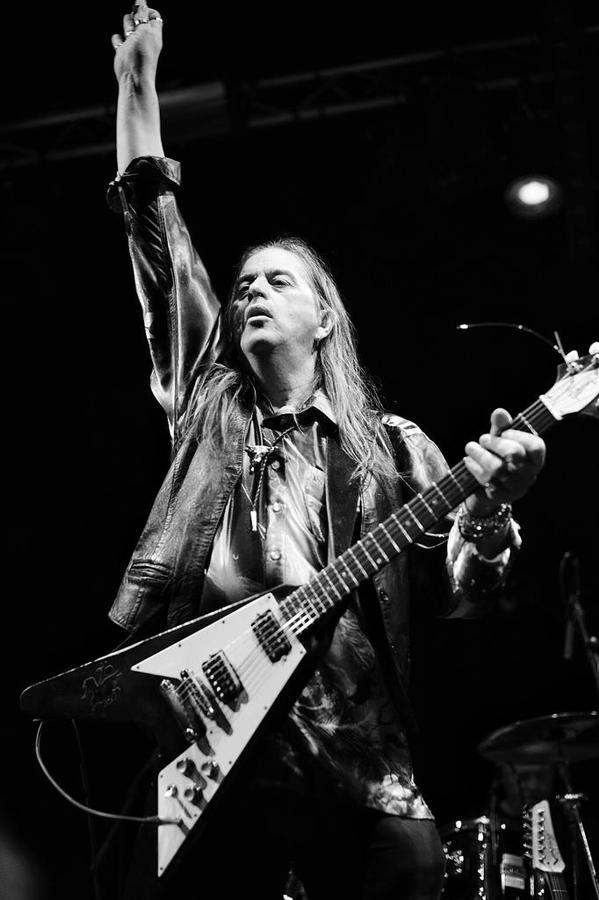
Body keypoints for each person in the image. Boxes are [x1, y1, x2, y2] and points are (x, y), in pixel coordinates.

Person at [105, 5, 547, 899]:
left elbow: (471, 594)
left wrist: (493, 511)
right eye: (243, 288)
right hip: (221, 737)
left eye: (277, 281)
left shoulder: (392, 448)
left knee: (414, 872)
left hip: (360, 750)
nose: (250, 293)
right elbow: (162, 250)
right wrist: (137, 88)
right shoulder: (207, 404)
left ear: (325, 317)